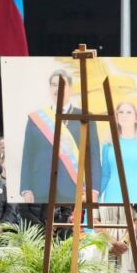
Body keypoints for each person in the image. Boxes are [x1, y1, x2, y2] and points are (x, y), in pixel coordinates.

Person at [20, 69, 101, 203]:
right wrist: (26, 189)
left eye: (62, 84)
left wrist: (94, 190)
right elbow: (28, 155)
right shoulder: (36, 118)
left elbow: (93, 156)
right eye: (54, 85)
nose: (58, 88)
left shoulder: (85, 117)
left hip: (74, 188)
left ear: (70, 88)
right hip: (41, 189)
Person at [100, 101, 137, 204]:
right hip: (113, 198)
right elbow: (105, 175)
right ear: (116, 117)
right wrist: (94, 196)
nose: (124, 115)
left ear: (136, 118)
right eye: (121, 112)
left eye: (129, 112)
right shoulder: (108, 145)